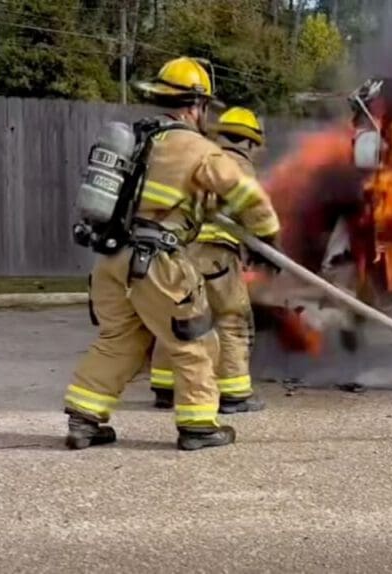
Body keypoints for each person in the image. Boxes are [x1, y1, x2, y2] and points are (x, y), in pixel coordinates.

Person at [64, 57, 281, 451]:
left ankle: (83, 420)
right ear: (197, 105)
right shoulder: (197, 148)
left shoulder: (141, 139)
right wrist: (269, 236)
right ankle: (198, 426)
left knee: (118, 340)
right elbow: (245, 193)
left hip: (111, 260)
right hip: (157, 261)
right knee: (194, 341)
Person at [149, 106, 272, 414]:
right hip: (215, 255)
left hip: (177, 251)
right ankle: (235, 393)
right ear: (250, 142)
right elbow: (251, 210)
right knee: (232, 319)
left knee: (179, 317)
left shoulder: (201, 158)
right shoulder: (239, 166)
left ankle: (166, 388)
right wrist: (267, 243)